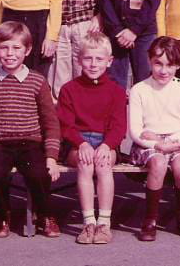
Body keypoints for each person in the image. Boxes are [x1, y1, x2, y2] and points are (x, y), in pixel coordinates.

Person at [0, 22, 62, 238]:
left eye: (16, 48)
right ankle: (3, 214)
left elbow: (50, 122)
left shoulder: (38, 81)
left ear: (27, 50)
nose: (10, 53)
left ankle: (45, 214)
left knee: (39, 173)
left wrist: (51, 157)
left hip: (30, 143)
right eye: (4, 48)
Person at [56, 32, 127, 244]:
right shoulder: (69, 89)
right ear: (79, 60)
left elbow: (119, 127)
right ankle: (88, 222)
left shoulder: (116, 91)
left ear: (109, 61)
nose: (93, 64)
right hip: (77, 143)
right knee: (85, 163)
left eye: (99, 59)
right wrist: (81, 143)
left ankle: (104, 223)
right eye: (88, 58)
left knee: (103, 164)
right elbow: (65, 125)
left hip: (106, 142)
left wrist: (107, 145)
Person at [128, 37, 180, 241]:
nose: (164, 70)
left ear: (178, 65)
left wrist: (171, 141)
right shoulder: (139, 89)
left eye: (170, 65)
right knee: (158, 163)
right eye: (158, 63)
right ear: (150, 61)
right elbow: (136, 131)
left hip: (178, 141)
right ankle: (150, 219)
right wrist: (157, 143)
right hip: (148, 145)